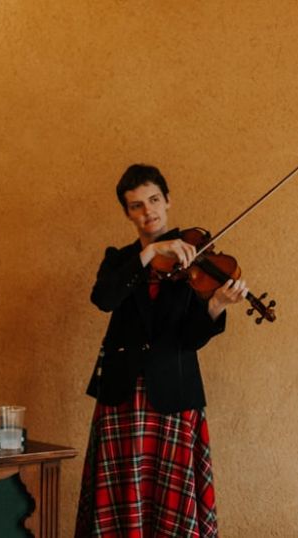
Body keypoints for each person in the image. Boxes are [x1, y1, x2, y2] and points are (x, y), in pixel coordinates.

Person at [75, 164, 249, 537]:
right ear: (127, 213)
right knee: (121, 500)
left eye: (154, 200)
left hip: (174, 393)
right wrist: (152, 249)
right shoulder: (119, 260)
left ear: (168, 200)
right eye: (136, 205)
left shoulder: (194, 259)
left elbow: (189, 338)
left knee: (173, 508)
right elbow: (104, 298)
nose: (148, 211)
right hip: (121, 393)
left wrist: (216, 304)